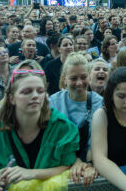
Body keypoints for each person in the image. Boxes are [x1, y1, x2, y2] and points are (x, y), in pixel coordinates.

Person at [0, 68, 79, 190]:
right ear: (11, 98)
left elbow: (68, 165)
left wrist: (31, 173)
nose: (35, 96)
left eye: (40, 91)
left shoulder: (63, 127)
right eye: (26, 92)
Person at [49, 53, 102, 186]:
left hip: (91, 165)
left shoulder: (100, 103)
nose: (79, 83)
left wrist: (90, 164)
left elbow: (99, 141)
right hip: (61, 166)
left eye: (83, 77)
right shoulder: (53, 103)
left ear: (89, 76)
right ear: (64, 79)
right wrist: (74, 161)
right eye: (73, 78)